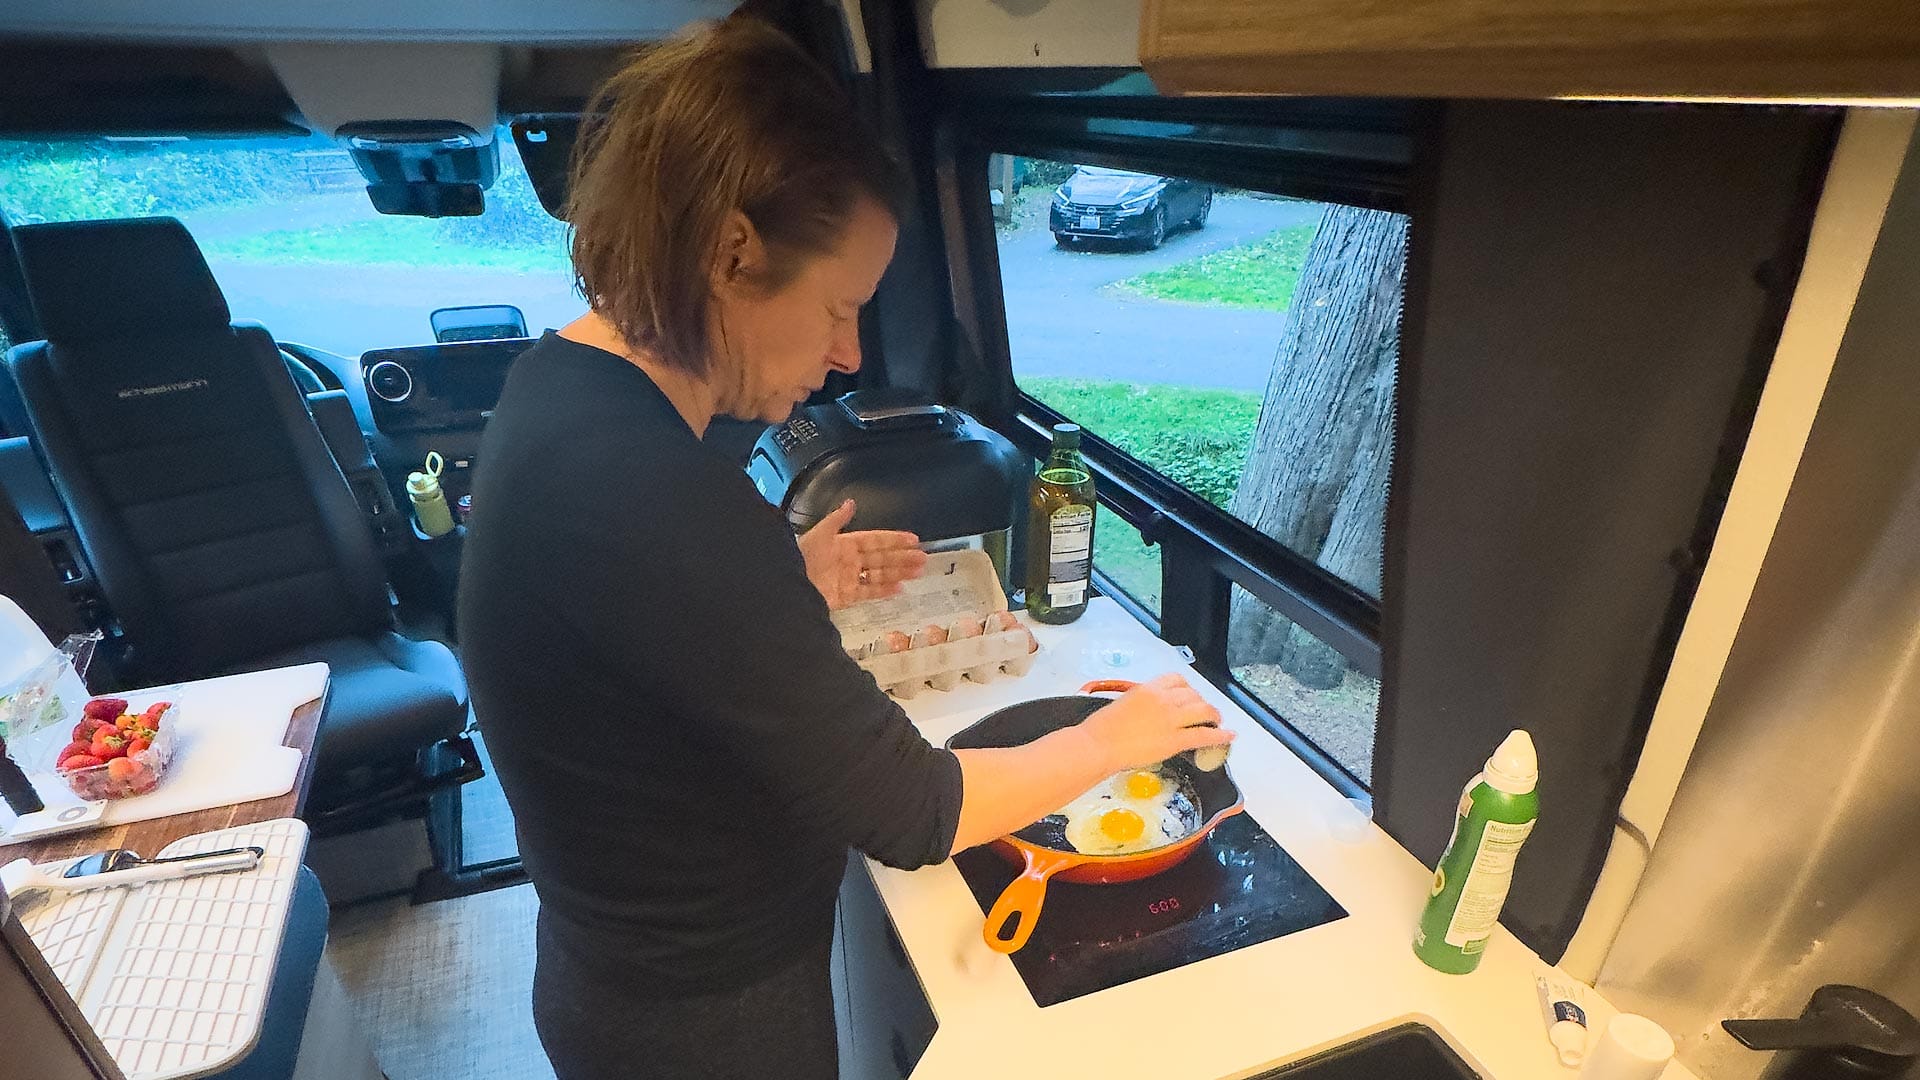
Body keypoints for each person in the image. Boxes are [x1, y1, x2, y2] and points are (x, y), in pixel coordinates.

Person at [456, 15, 1233, 1080]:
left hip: (627, 970)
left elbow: (631, 643)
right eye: (838, 306)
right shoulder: (649, 486)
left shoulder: (562, 387)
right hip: (701, 1020)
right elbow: (915, 811)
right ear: (733, 253)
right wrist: (1117, 735)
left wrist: (780, 584)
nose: (846, 354)